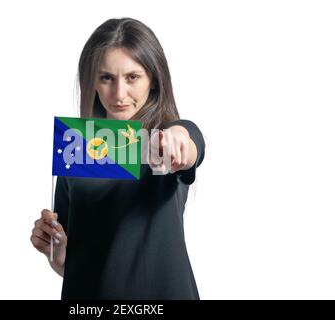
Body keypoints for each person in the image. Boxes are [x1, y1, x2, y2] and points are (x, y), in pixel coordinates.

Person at [30, 17, 206, 300]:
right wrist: (58, 252)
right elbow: (74, 262)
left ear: (154, 80)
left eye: (132, 77)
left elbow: (191, 143)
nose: (119, 94)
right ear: (93, 81)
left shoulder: (163, 142)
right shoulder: (76, 147)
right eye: (107, 78)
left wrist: (179, 139)